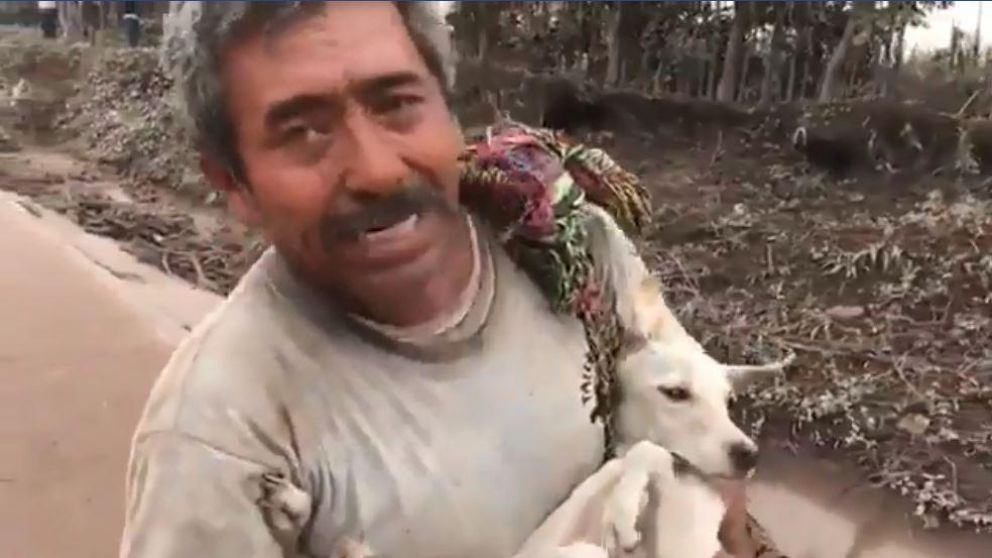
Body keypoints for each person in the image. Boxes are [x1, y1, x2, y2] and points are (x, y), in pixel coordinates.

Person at [120, 3, 755, 558]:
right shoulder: (220, 435)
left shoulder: (574, 247)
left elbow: (706, 450)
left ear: (449, 111)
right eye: (304, 131)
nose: (376, 170)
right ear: (233, 183)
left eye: (397, 103)